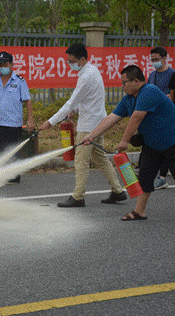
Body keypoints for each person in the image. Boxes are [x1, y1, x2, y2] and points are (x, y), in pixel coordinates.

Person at [82, 65, 175, 226]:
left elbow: (137, 117)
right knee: (145, 176)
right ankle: (139, 211)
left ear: (136, 81)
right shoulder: (128, 99)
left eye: (124, 83)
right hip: (152, 144)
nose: (122, 86)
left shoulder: (149, 91)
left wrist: (124, 141)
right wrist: (91, 136)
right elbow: (111, 118)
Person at [40, 43, 126, 207]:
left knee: (81, 160)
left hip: (89, 126)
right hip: (98, 121)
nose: (69, 64)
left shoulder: (86, 76)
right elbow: (89, 98)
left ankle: (78, 197)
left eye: (71, 61)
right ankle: (118, 191)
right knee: (100, 158)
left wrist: (51, 121)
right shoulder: (93, 71)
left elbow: (71, 102)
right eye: (68, 61)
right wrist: (75, 109)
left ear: (83, 59)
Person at [0, 51, 34, 184]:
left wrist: (30, 120)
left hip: (13, 124)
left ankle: (12, 177)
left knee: (12, 151)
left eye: (5, 64)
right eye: (0, 64)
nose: (2, 67)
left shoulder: (19, 81)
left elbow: (27, 101)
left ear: (11, 65)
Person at [147, 47, 175, 190]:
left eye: (157, 59)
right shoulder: (152, 75)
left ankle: (163, 176)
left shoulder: (172, 75)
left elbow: (173, 95)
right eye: (152, 60)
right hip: (154, 115)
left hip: (168, 115)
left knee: (166, 145)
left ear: (165, 59)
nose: (154, 62)